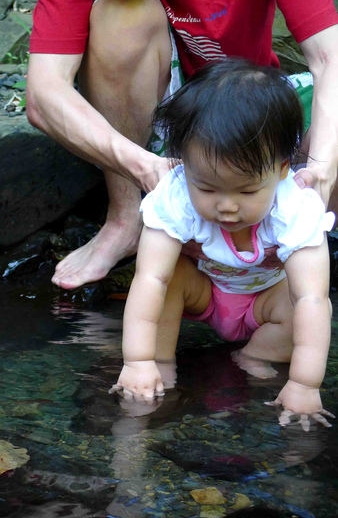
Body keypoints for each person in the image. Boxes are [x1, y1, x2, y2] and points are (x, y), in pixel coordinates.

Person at [26, 0, 338, 290]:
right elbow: (44, 94)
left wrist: (320, 171)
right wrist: (144, 169)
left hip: (252, 106)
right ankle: (126, 220)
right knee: (120, 16)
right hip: (168, 118)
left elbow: (328, 56)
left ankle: (302, 238)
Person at [111, 58, 335, 431]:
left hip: (266, 303)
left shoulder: (295, 206)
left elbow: (313, 297)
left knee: (307, 311)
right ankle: (162, 367)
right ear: (183, 165)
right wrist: (137, 360)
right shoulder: (178, 194)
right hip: (207, 293)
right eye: (207, 188)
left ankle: (251, 356)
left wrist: (305, 383)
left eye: (247, 190)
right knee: (168, 279)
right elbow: (150, 278)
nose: (227, 206)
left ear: (282, 169)